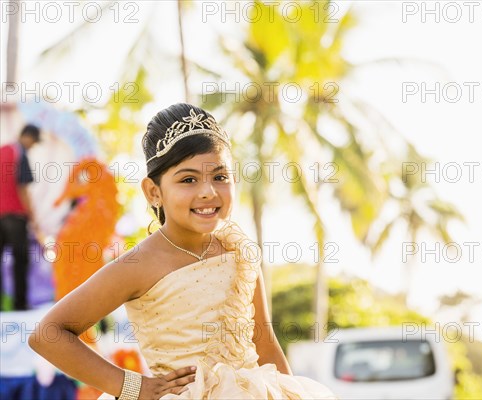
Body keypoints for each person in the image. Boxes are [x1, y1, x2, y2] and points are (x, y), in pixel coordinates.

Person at [29, 103, 338, 399]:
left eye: (220, 176)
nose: (208, 191)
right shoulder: (140, 264)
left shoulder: (240, 252)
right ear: (154, 192)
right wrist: (135, 388)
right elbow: (48, 334)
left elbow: (266, 347)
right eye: (188, 179)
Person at [0, 123, 41, 311]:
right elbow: (23, 189)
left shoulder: (3, 150)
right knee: (20, 261)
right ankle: (20, 304)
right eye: (34, 142)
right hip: (15, 217)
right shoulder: (20, 153)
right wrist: (32, 217)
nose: (33, 146)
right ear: (29, 137)